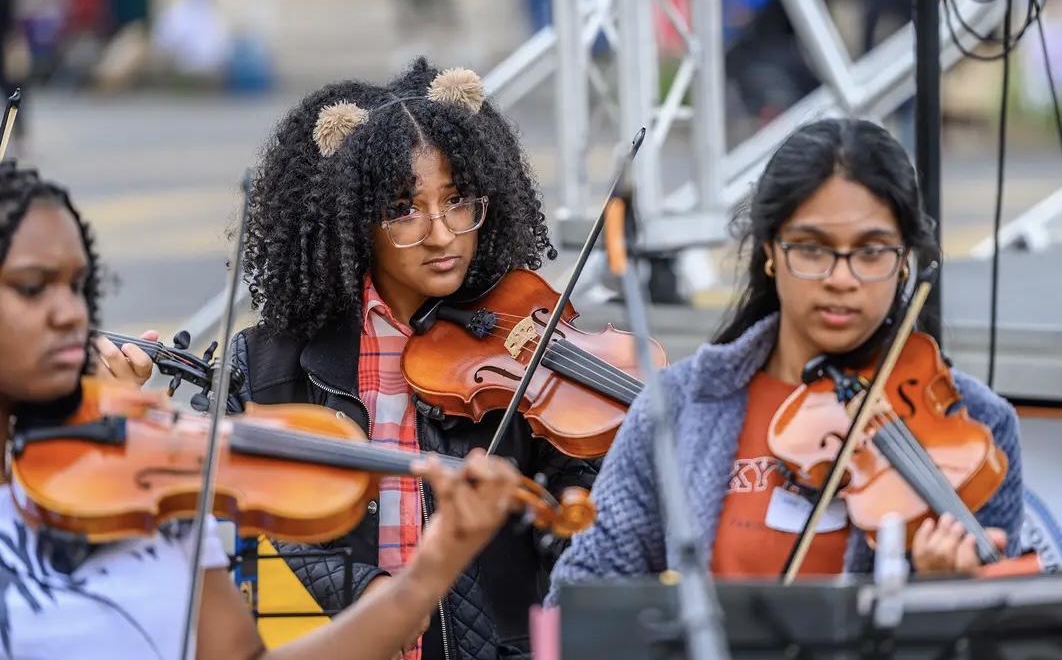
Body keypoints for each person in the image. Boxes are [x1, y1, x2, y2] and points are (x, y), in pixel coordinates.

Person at [0, 161, 525, 660]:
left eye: (76, 286)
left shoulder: (146, 487)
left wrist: (429, 575)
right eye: (31, 288)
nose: (70, 313)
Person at [546, 118, 1025, 599]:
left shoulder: (975, 425)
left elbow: (1008, 629)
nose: (842, 278)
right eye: (813, 249)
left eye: (872, 251)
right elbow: (580, 596)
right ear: (771, 250)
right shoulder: (678, 407)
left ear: (905, 261)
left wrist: (940, 597)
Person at [225, 56, 601, 659]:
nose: (441, 233)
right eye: (404, 209)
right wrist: (373, 596)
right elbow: (268, 512)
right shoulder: (273, 362)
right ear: (353, 217)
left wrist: (574, 514)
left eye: (457, 202)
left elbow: (577, 479)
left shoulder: (521, 329)